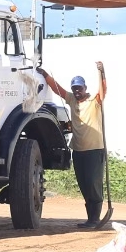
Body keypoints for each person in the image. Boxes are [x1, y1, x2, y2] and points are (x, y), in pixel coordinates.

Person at [43, 62, 107, 229]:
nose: (77, 91)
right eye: (75, 88)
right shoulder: (71, 100)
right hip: (78, 150)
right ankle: (90, 219)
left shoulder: (94, 101)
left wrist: (101, 72)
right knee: (84, 184)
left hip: (94, 150)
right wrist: (46, 76)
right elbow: (58, 89)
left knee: (93, 184)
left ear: (85, 88)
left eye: (80, 88)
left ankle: (95, 218)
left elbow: (103, 90)